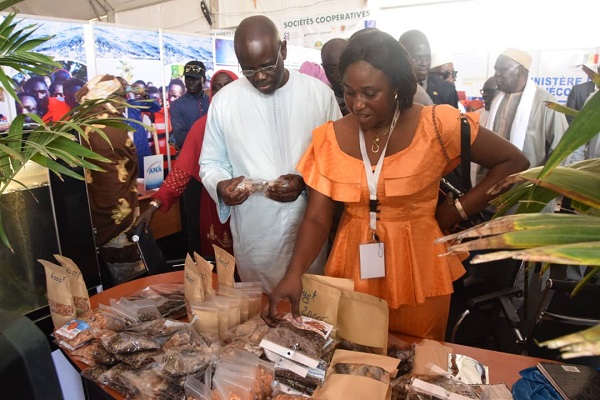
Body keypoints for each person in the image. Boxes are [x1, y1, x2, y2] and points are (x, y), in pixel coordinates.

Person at [263, 29, 529, 340]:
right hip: (354, 266)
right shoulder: (330, 138)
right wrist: (294, 274)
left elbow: (514, 163)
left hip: (419, 266)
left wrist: (455, 210)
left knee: (417, 368)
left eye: (370, 93)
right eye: (349, 91)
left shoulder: (436, 124)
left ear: (396, 88)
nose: (357, 104)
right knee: (354, 359)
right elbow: (318, 217)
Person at [199, 15, 341, 292]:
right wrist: (220, 185)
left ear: (283, 50)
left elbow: (337, 161)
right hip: (256, 234)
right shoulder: (225, 102)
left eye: (267, 65)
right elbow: (211, 162)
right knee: (264, 314)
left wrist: (304, 183)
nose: (260, 77)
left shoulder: (319, 96)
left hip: (309, 225)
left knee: (312, 306)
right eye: (249, 70)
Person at [137, 70, 238, 260]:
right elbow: (181, 172)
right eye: (217, 88)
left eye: (228, 86)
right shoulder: (201, 127)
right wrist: (154, 204)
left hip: (251, 206)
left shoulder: (253, 123)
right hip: (214, 205)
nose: (222, 92)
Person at [76, 74, 146, 285]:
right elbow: (127, 165)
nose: (124, 102)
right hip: (117, 214)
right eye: (120, 96)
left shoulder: (79, 123)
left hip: (93, 214)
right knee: (130, 281)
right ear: (107, 96)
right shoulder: (111, 128)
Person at [484, 48, 569, 169]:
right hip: (494, 178)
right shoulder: (497, 100)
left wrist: (546, 182)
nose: (496, 74)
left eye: (503, 69)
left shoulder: (545, 102)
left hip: (527, 183)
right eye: (496, 69)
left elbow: (562, 148)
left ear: (521, 70)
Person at [399, 30, 459, 108]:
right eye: (417, 58)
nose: (424, 63)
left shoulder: (447, 90)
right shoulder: (392, 87)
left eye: (427, 57)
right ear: (403, 57)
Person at [170, 61, 210, 149]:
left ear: (204, 79)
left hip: (213, 154)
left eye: (195, 79)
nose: (190, 82)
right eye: (188, 78)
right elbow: (180, 138)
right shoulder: (177, 105)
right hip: (190, 154)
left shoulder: (211, 102)